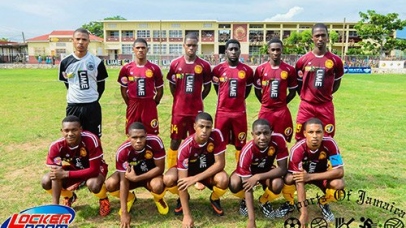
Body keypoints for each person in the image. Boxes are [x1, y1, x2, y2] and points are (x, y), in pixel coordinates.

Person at [163, 112, 228, 228]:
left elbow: (220, 164)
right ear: (194, 127)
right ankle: (184, 199)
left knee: (223, 179)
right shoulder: (185, 147)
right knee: (168, 179)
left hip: (208, 172)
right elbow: (183, 181)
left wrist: (195, 179)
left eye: (208, 127)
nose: (204, 130)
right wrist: (187, 216)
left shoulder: (217, 135)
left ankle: (214, 198)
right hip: (189, 172)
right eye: (201, 126)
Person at [41, 115, 110, 216]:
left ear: (81, 129)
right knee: (46, 180)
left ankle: (103, 199)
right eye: (66, 130)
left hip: (95, 169)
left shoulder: (91, 139)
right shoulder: (56, 146)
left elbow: (94, 170)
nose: (70, 134)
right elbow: (56, 175)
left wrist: (66, 174)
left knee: (93, 184)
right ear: (62, 131)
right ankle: (69, 197)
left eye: (74, 130)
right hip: (75, 169)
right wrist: (55, 208)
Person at [105, 122, 168, 228]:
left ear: (146, 135)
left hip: (151, 176)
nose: (138, 141)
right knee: (110, 184)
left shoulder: (155, 142)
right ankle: (130, 198)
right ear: (128, 137)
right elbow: (123, 181)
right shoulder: (122, 151)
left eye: (142, 137)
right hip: (129, 179)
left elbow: (160, 168)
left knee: (158, 185)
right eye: (134, 137)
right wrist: (124, 212)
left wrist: (137, 178)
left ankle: (158, 199)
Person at [229, 119, 288, 227]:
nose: (262, 137)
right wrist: (252, 220)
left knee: (278, 183)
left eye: (266, 133)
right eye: (258, 134)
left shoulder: (278, 140)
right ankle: (245, 201)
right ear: (252, 135)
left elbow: (283, 168)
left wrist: (258, 176)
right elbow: (247, 186)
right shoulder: (247, 151)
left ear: (271, 132)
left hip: (267, 172)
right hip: (249, 174)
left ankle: (264, 200)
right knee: (234, 183)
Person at [284, 118, 345, 224]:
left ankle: (323, 202)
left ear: (323, 133)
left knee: (339, 184)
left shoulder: (330, 143)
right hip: (302, 177)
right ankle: (290, 202)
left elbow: (340, 172)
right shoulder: (297, 149)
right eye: (311, 132)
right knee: (288, 178)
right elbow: (299, 181)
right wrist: (304, 213)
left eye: (318, 132)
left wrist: (310, 177)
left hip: (321, 175)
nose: (315, 136)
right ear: (304, 133)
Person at [166, 33, 212, 169]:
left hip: (196, 112)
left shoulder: (204, 65)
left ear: (197, 46)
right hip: (179, 111)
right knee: (175, 140)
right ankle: (171, 169)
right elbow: (172, 85)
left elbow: (208, 86)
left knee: (197, 141)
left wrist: (198, 98)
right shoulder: (175, 64)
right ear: (184, 46)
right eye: (189, 45)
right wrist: (180, 98)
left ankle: (194, 170)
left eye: (194, 45)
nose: (191, 48)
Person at [294, 23, 344, 141]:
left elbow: (336, 83)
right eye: (317, 36)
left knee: (328, 137)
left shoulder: (335, 61)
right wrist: (306, 96)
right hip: (306, 106)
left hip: (325, 106)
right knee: (300, 136)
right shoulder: (303, 60)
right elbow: (298, 83)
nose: (320, 39)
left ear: (327, 37)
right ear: (312, 38)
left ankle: (325, 159)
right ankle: (300, 159)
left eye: (323, 35)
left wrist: (325, 95)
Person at [59, 28, 108, 138]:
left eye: (84, 39)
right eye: (78, 39)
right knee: (73, 138)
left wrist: (90, 98)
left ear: (88, 42)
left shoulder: (97, 62)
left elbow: (101, 86)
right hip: (73, 106)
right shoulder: (65, 62)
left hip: (92, 107)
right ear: (73, 40)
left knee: (94, 138)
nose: (81, 42)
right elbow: (67, 84)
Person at [212, 39, 253, 161]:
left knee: (240, 144)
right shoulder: (217, 70)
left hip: (239, 113)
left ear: (240, 51)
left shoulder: (247, 71)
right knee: (219, 144)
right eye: (231, 49)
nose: (233, 52)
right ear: (226, 52)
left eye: (236, 49)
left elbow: (248, 89)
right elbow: (217, 89)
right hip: (222, 112)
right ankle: (218, 171)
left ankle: (240, 171)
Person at [254, 38, 297, 143]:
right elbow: (257, 91)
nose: (275, 52)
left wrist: (281, 104)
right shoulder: (260, 69)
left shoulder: (289, 70)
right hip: (265, 110)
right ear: (268, 50)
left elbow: (292, 92)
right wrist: (265, 103)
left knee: (281, 141)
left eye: (278, 50)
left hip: (281, 111)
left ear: (282, 50)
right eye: (273, 50)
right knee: (262, 141)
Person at [117, 38, 163, 135]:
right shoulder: (126, 68)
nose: (140, 50)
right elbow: (123, 90)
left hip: (149, 104)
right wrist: (130, 103)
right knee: (132, 134)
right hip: (133, 104)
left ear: (147, 49)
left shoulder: (155, 68)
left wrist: (153, 103)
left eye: (143, 48)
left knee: (151, 134)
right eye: (138, 48)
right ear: (133, 49)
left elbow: (160, 91)